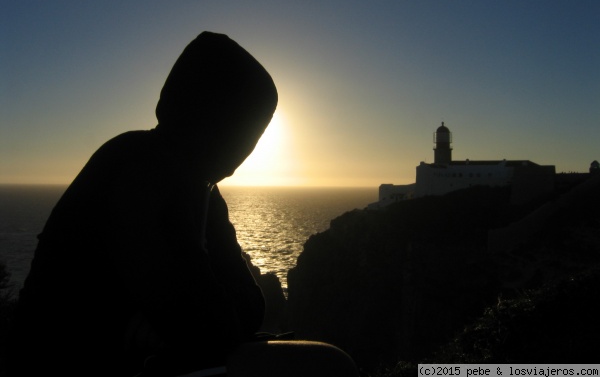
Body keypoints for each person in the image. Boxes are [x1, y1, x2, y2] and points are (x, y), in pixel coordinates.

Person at [8, 32, 358, 377]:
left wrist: (173, 321)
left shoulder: (202, 187)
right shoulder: (139, 167)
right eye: (247, 127)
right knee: (329, 367)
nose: (248, 147)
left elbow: (250, 306)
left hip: (150, 361)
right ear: (211, 116)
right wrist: (186, 317)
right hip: (65, 364)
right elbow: (206, 327)